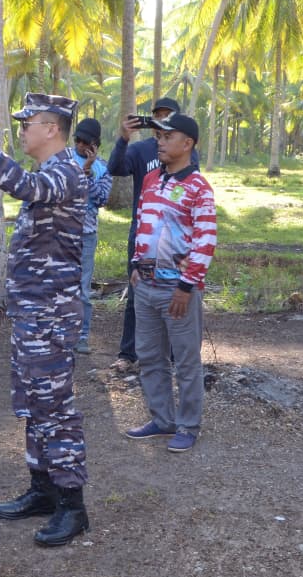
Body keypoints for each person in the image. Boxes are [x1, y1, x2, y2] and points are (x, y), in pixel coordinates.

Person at [0, 93, 91, 547]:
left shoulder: (65, 172)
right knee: (33, 403)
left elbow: (23, 187)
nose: (22, 130)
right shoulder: (51, 172)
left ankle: (72, 505)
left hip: (51, 316)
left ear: (52, 129)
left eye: (28, 123)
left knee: (55, 408)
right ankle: (43, 489)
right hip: (32, 313)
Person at [123, 114, 217, 454]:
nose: (159, 142)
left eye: (167, 136)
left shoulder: (199, 187)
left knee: (186, 361)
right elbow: (142, 223)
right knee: (150, 356)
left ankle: (188, 425)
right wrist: (136, 265)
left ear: (187, 143)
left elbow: (205, 240)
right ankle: (162, 419)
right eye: (158, 136)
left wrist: (186, 287)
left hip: (177, 291)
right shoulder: (151, 179)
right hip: (145, 286)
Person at [107, 97, 198, 371]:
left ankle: (173, 356)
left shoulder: (185, 151)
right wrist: (123, 138)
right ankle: (128, 353)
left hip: (175, 240)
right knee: (137, 295)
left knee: (173, 295)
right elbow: (115, 168)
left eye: (168, 116)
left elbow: (192, 185)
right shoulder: (140, 150)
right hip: (143, 237)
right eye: (158, 116)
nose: (162, 121)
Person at [73, 117, 113, 354]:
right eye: (77, 140)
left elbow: (101, 199)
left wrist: (88, 171)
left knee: (83, 290)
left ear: (95, 144)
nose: (80, 145)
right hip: (62, 233)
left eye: (85, 142)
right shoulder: (63, 159)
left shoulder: (103, 168)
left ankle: (82, 336)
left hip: (87, 235)